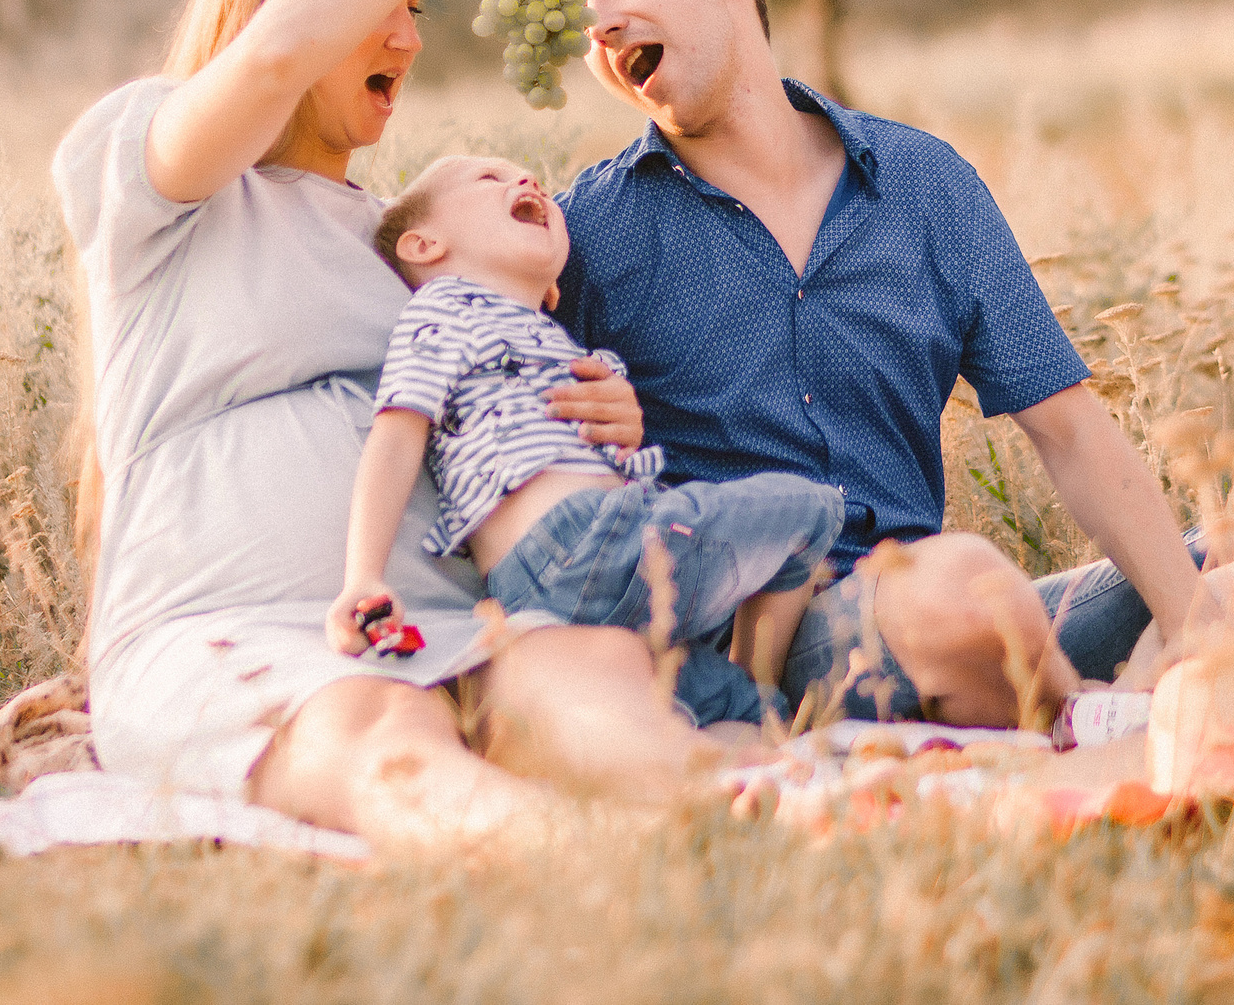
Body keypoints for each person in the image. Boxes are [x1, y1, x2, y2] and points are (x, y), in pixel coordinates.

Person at [551, 0, 1234, 729]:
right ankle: (1116, 723)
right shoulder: (585, 235)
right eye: (577, 16)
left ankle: (1156, 695)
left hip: (974, 621)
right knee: (957, 585)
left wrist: (1192, 621)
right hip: (781, 650)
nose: (600, 22)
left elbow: (1072, 431)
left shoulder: (923, 185)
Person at [54, 0, 706, 849]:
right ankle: (582, 867)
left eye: (417, 6)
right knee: (378, 729)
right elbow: (272, 60)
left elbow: (477, 406)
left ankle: (761, 826)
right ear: (286, 6)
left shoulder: (406, 237)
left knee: (584, 683)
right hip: (231, 633)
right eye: (381, 1)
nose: (407, 37)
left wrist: (590, 417)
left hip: (441, 624)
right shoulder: (150, 177)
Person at [323, 152, 844, 725]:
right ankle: (760, 675)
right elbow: (395, 437)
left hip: (555, 587)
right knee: (811, 509)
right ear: (424, 246)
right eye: (489, 177)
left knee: (734, 713)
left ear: (551, 288)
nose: (528, 181)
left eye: (531, 178)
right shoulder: (447, 310)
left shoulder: (552, 341)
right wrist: (364, 577)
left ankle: (758, 762)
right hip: (580, 541)